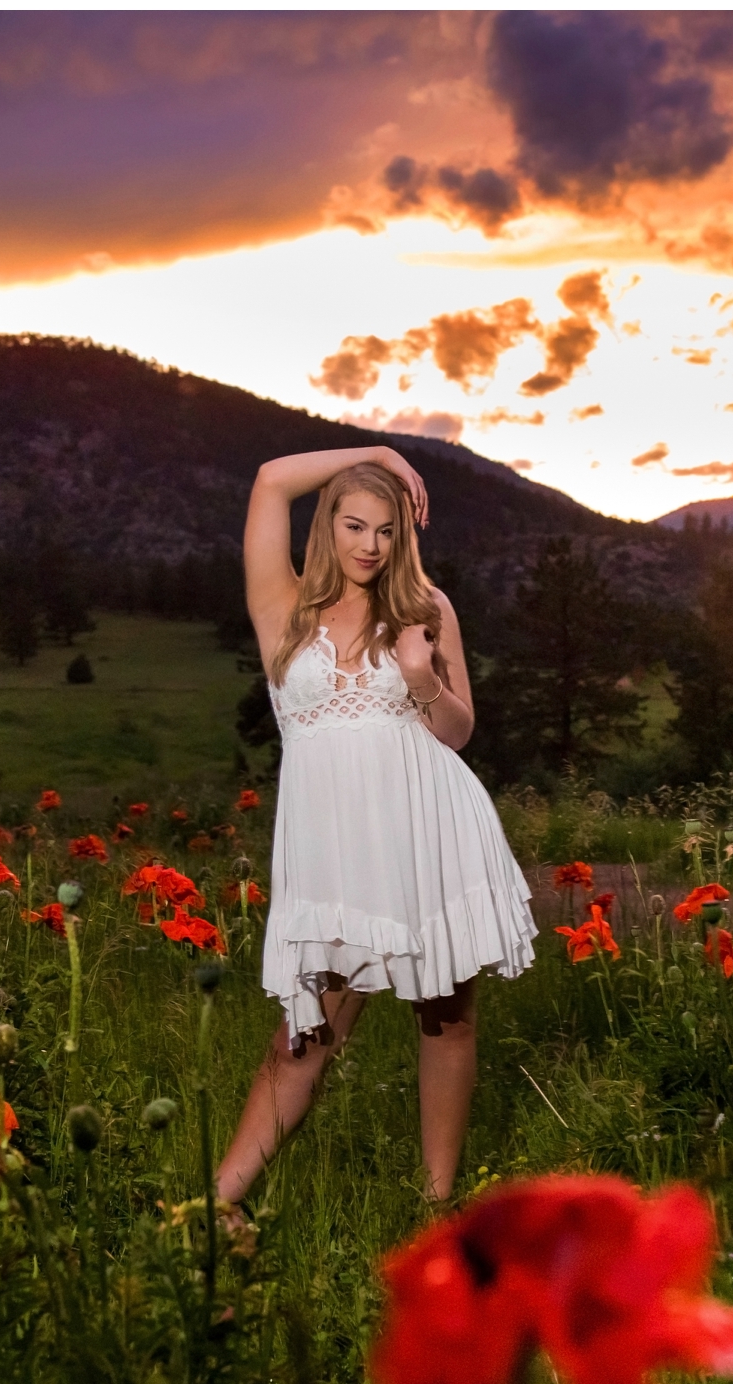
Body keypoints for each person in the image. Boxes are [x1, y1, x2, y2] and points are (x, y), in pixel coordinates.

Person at [214, 445, 537, 1208]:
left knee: (446, 1019)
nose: (370, 544)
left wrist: (422, 677)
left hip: (430, 830)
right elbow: (267, 478)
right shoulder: (281, 605)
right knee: (304, 1039)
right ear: (326, 525)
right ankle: (211, 1207)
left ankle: (434, 1203)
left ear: (403, 537)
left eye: (386, 530)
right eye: (355, 525)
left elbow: (458, 733)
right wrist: (377, 453)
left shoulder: (426, 607)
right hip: (334, 853)